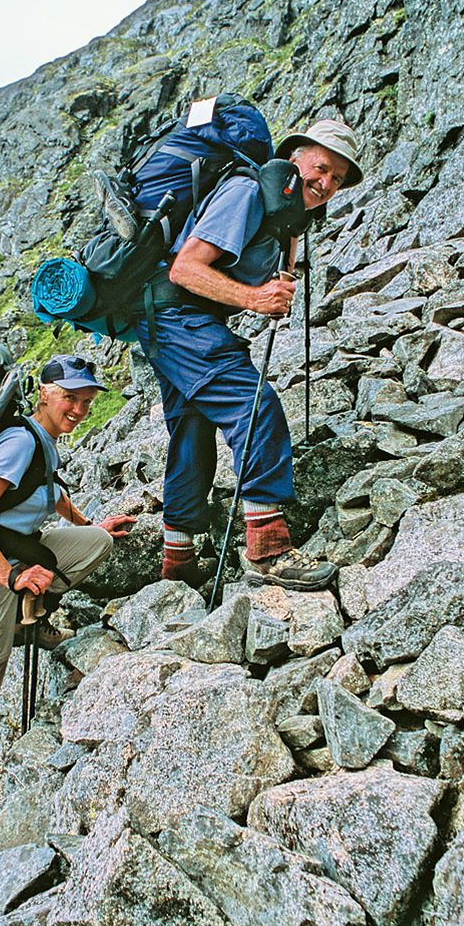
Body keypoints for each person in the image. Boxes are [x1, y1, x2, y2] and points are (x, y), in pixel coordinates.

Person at [133, 119, 363, 591]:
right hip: (178, 316)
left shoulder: (285, 214)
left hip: (174, 322)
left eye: (337, 179)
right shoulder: (246, 192)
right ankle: (269, 548)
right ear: (294, 158)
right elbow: (185, 269)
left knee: (192, 429)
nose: (325, 183)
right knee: (254, 406)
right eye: (320, 168)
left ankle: (176, 564)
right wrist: (256, 299)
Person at [0, 354, 136, 858]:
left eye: (86, 400)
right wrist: (12, 574)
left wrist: (90, 525)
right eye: (71, 398)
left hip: (11, 556)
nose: (80, 409)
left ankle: (26, 625)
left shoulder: (42, 441)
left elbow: (49, 493)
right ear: (44, 392)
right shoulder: (20, 441)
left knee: (93, 546)